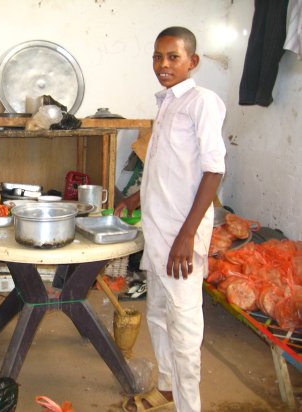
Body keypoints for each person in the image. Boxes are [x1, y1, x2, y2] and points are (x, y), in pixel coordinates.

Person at [116, 27, 226, 412]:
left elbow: (213, 171)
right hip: (160, 232)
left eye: (172, 57)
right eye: (157, 57)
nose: (162, 65)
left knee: (184, 328)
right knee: (159, 315)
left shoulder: (202, 102)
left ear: (192, 62)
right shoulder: (166, 103)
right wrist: (137, 195)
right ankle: (165, 390)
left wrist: (187, 236)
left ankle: (188, 406)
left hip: (181, 236)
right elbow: (169, 168)